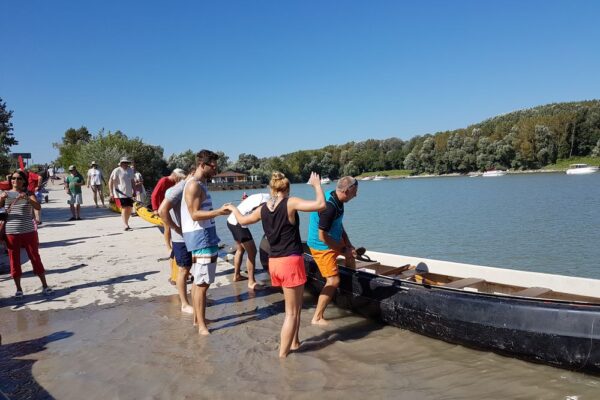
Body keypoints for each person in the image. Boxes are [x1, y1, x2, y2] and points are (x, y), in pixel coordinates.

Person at [226, 171, 325, 357]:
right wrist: (316, 185)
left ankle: (295, 343)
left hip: (275, 263)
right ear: (286, 188)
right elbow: (320, 205)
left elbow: (242, 220)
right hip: (291, 262)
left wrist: (233, 208)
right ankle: (282, 358)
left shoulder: (263, 209)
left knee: (296, 307)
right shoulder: (291, 202)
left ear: (271, 189)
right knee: (292, 313)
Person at [181, 150, 231, 335]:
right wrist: (219, 212)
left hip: (205, 236)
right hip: (201, 238)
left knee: (199, 281)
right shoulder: (194, 185)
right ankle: (202, 326)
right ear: (202, 165)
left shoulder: (199, 183)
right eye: (213, 166)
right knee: (202, 283)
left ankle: (198, 319)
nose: (216, 169)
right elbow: (194, 214)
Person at [307, 176, 359, 326]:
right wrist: (341, 248)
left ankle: (351, 291)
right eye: (355, 192)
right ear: (347, 190)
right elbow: (322, 236)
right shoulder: (329, 207)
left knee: (351, 256)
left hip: (333, 237)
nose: (356, 195)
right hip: (321, 245)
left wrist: (347, 245)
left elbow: (338, 224)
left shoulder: (338, 199)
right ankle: (317, 317)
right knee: (333, 280)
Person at [0, 170, 52, 299]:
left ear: (23, 181)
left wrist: (28, 198)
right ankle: (18, 289)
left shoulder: (28, 193)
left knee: (35, 258)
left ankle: (45, 286)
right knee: (14, 260)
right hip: (11, 232)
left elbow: (38, 207)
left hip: (28, 231)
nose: (15, 181)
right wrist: (1, 199)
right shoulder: (5, 194)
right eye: (13, 179)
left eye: (18, 179)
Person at [158, 168, 195, 314]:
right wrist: (176, 228)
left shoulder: (188, 188)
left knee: (191, 269)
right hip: (180, 239)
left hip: (191, 236)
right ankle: (184, 304)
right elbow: (162, 211)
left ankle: (192, 298)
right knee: (183, 270)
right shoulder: (178, 189)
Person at [226, 193, 270, 290]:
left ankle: (236, 276)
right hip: (238, 223)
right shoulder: (267, 202)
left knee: (240, 249)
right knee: (252, 252)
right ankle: (251, 282)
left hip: (231, 221)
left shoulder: (263, 196)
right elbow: (260, 215)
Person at [109, 157, 136, 231]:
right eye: (124, 162)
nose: (125, 164)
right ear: (121, 163)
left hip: (129, 193)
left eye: (126, 162)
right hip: (120, 193)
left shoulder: (130, 170)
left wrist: (134, 190)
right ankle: (125, 225)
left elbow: (132, 181)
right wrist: (111, 192)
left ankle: (126, 222)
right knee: (124, 208)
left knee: (129, 209)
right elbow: (110, 181)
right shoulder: (116, 170)